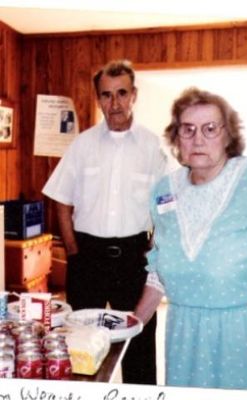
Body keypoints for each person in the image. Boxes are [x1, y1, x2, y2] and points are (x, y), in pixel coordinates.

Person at [134, 87, 247, 391]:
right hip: (186, 335)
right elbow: (159, 271)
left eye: (210, 129)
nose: (198, 139)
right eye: (188, 129)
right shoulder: (164, 191)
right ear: (176, 138)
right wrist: (133, 322)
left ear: (228, 135)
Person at [42, 59, 168, 384]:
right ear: (98, 98)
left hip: (133, 257)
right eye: (106, 95)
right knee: (81, 342)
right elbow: (61, 198)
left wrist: (152, 249)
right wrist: (73, 251)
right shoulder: (82, 144)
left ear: (133, 95)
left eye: (121, 93)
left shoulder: (152, 146)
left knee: (138, 341)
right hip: (88, 257)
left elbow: (166, 205)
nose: (114, 103)